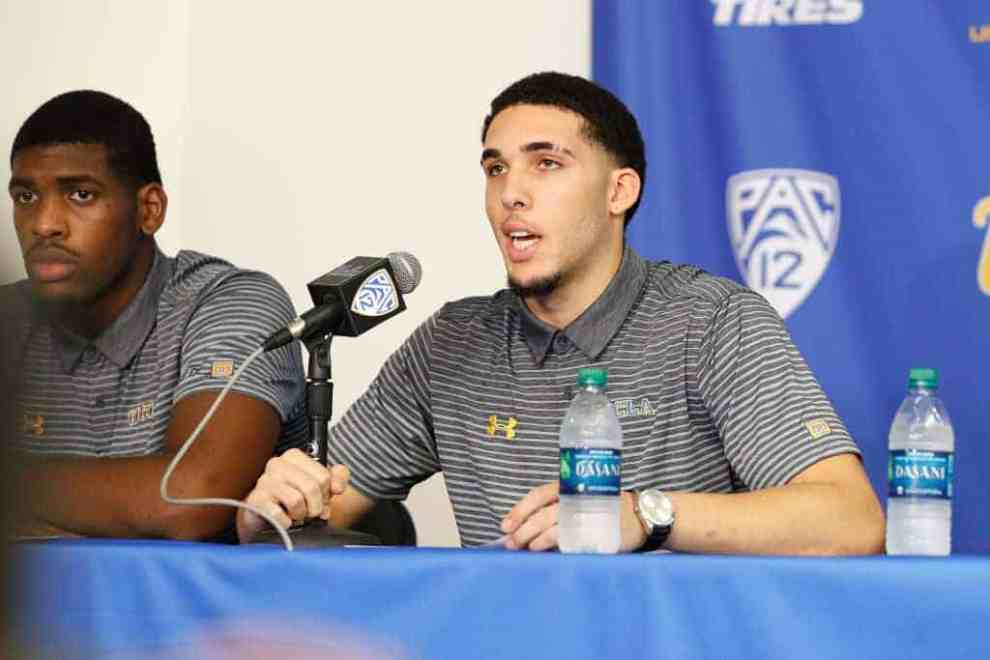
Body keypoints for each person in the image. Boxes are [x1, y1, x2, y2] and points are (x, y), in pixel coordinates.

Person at [237, 72, 885, 554]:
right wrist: (272, 508)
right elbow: (324, 512)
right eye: (495, 169)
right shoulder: (452, 343)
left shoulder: (712, 321)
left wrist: (647, 516)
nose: (511, 193)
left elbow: (851, 521)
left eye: (547, 164)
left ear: (618, 191)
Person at [3, 90, 308, 541]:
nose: (44, 223)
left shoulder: (230, 301)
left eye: (81, 194)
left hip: (198, 612)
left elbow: (190, 500)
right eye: (26, 196)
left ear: (149, 210)